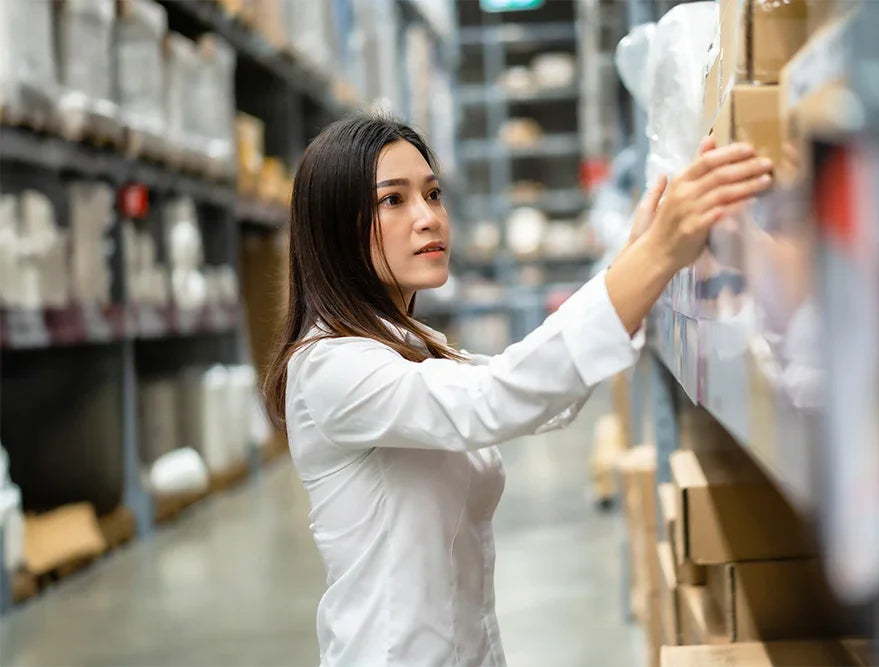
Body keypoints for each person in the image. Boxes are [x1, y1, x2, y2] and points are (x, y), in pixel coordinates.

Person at [263, 113, 773, 666]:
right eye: (393, 200)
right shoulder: (331, 367)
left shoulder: (414, 345)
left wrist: (639, 262)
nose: (428, 218)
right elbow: (496, 398)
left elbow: (537, 395)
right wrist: (657, 255)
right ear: (335, 227)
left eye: (433, 194)